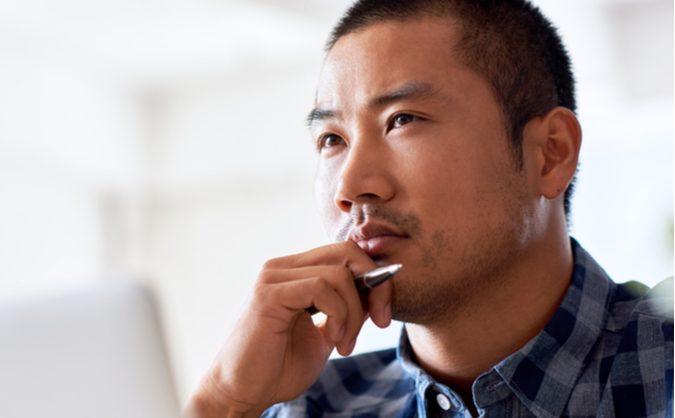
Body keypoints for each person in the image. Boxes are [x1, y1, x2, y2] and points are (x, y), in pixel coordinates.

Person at [185, 0, 674, 416]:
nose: (351, 187)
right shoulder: (304, 407)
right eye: (331, 139)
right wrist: (223, 401)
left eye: (402, 120)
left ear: (550, 153)